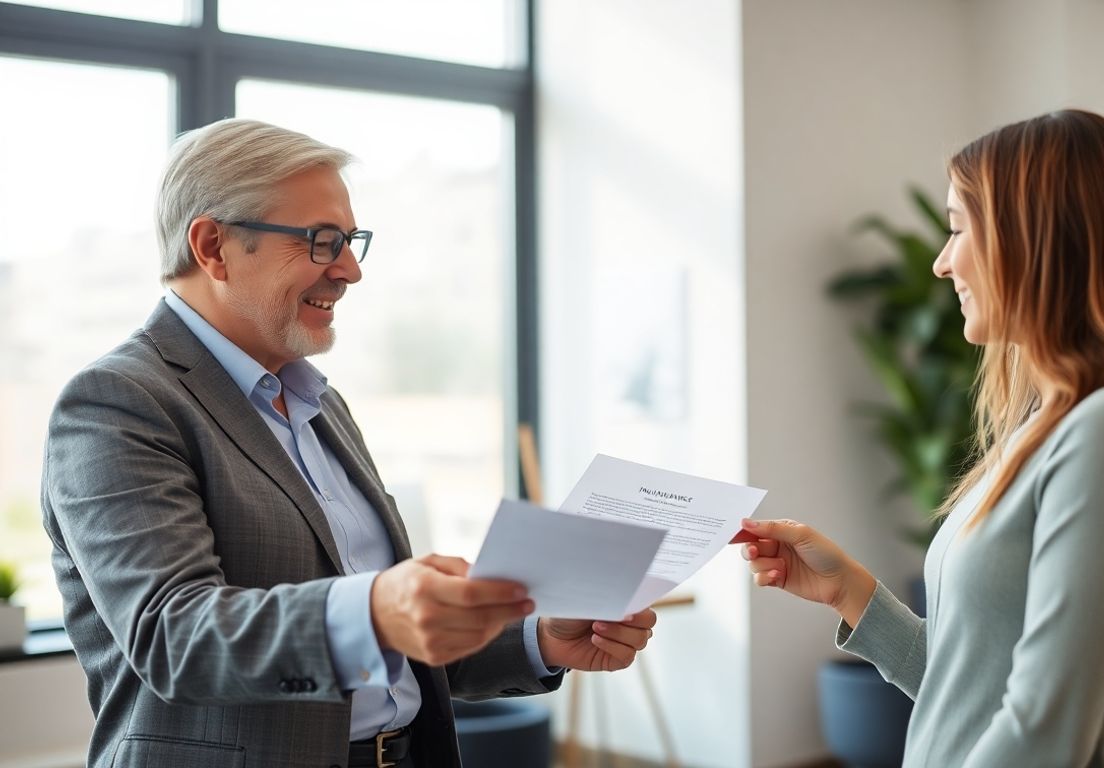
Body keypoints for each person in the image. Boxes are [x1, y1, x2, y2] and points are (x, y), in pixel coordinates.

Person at [41, 118, 656, 768]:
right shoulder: (118, 401)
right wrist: (377, 605)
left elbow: (388, 644)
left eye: (351, 240)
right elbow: (174, 635)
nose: (350, 270)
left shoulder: (318, 403)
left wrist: (537, 642)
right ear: (214, 245)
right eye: (321, 241)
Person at [734, 109, 1104, 767]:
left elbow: (1042, 733)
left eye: (958, 229)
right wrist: (848, 588)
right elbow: (977, 692)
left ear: (1039, 238)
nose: (942, 263)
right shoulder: (1058, 423)